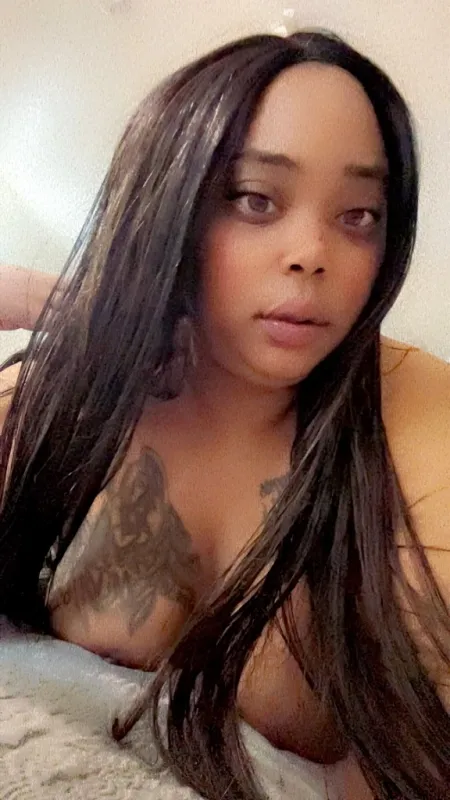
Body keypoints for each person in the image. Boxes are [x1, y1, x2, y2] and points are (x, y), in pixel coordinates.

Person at [0, 29, 449, 800]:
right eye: (254, 200)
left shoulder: (419, 426)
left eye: (359, 215)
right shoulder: (62, 403)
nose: (311, 252)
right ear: (168, 204)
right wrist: (50, 302)